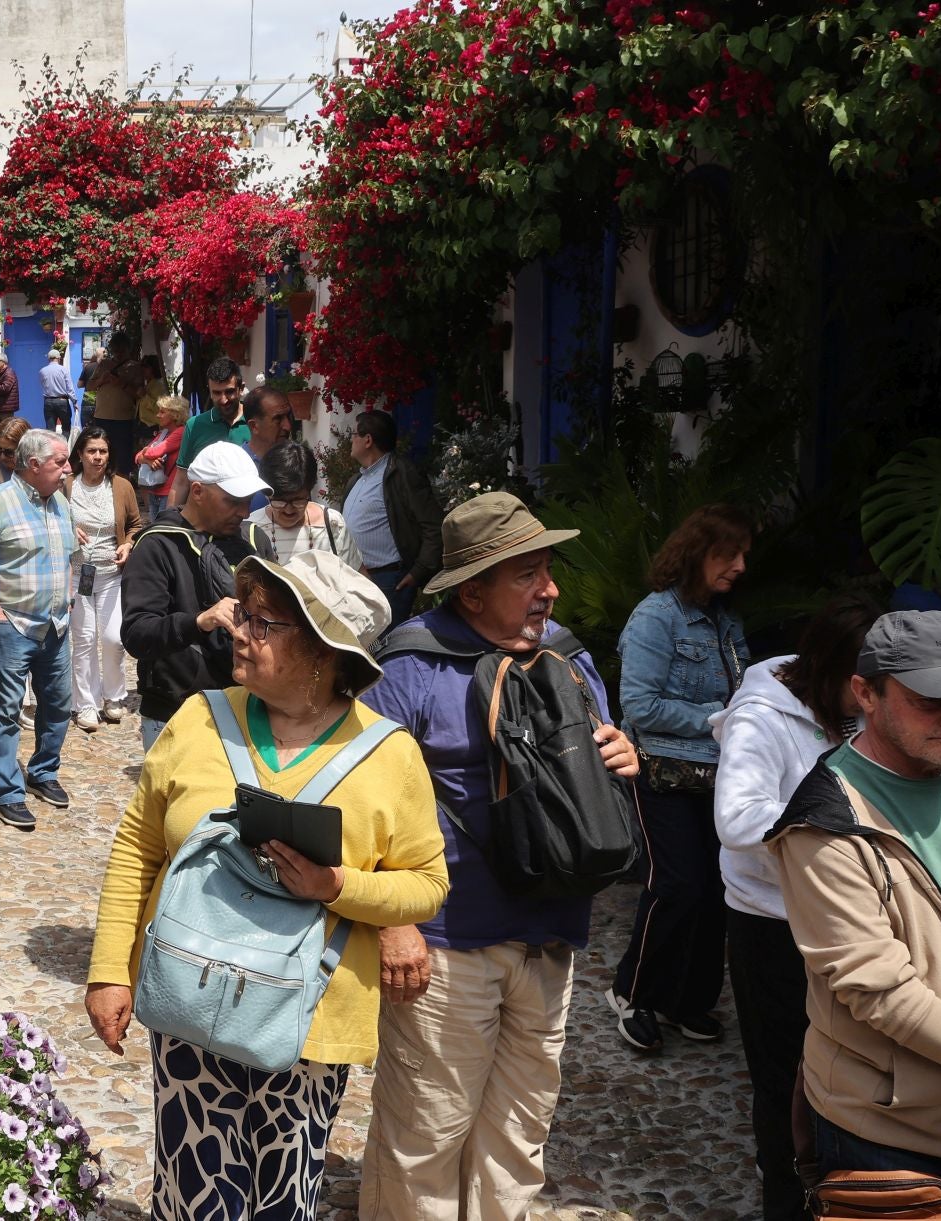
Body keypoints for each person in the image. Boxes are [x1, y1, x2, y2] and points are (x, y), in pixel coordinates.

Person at [86, 550, 449, 1221]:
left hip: (308, 1024)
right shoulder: (199, 718)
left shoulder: (388, 753)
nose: (238, 630)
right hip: (190, 1005)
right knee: (192, 1197)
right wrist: (110, 969)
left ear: (321, 650)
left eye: (263, 622)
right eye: (242, 614)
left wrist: (337, 886)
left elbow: (427, 885)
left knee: (282, 1203)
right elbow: (137, 845)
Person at [358, 491, 641, 1221]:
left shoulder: (570, 658)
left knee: (519, 1133)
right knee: (426, 1130)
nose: (549, 588)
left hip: (550, 935)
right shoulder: (409, 666)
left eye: (548, 570)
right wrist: (393, 923)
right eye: (527, 574)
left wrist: (620, 755)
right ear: (472, 588)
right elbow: (363, 805)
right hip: (447, 941)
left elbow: (594, 766)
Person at [768, 610, 941, 1218]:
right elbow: (877, 988)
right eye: (931, 700)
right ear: (865, 694)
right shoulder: (825, 823)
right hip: (888, 1141)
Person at [711, 593, 882, 1221]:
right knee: (784, 1077)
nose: (869, 702)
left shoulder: (851, 706)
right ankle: (786, 1197)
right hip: (770, 923)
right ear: (835, 673)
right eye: (861, 687)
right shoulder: (762, 717)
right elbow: (736, 818)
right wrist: (836, 833)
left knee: (845, 1071)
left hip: (844, 919)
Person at [607, 504, 755, 1053]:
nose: (740, 565)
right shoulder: (655, 617)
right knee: (678, 886)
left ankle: (688, 1001)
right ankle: (633, 993)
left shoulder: (726, 619)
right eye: (727, 554)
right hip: (663, 771)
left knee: (718, 889)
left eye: (743, 555)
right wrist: (720, 719)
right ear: (696, 555)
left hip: (723, 773)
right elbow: (639, 706)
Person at [121, 444, 275, 754]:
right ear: (197, 491)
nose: (243, 511)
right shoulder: (157, 545)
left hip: (251, 710)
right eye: (232, 501)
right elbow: (137, 634)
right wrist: (199, 622)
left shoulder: (255, 539)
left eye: (247, 501)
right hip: (178, 715)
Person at [0, 429, 75, 831]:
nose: (68, 469)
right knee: (5, 711)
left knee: (58, 704)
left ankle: (43, 773)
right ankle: (7, 793)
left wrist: (70, 600)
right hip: (12, 625)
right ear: (33, 466)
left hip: (56, 626)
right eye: (60, 462)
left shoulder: (60, 502)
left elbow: (67, 557)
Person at [64, 427, 144, 732]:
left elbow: (136, 524)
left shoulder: (121, 486)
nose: (98, 457)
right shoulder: (67, 486)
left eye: (103, 451)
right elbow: (53, 518)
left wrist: (128, 543)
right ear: (80, 454)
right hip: (79, 573)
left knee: (113, 638)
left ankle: (113, 696)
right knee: (83, 639)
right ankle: (85, 703)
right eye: (92, 451)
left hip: (111, 574)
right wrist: (69, 531)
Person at [339, 409, 443, 625]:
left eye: (354, 435)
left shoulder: (401, 473)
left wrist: (418, 572)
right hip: (355, 577)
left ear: (368, 440)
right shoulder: (357, 479)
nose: (351, 440)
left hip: (387, 580)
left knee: (383, 646)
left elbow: (433, 525)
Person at [248, 442, 364, 571]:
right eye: (280, 501)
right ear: (267, 494)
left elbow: (358, 580)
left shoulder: (332, 523)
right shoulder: (250, 529)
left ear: (309, 491)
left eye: (298, 500)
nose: (289, 509)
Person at [170, 357, 250, 508]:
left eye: (229, 392)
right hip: (205, 520)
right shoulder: (195, 425)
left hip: (248, 514)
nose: (223, 399)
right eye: (217, 393)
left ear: (241, 389)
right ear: (210, 391)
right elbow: (181, 480)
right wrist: (168, 522)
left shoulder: (256, 422)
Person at [89, 334, 148, 478]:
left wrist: (121, 383)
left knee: (123, 456)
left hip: (123, 419)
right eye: (116, 350)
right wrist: (102, 380)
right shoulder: (103, 364)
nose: (118, 353)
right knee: (101, 450)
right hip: (101, 416)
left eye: (121, 350)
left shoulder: (134, 367)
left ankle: (123, 485)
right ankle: (101, 481)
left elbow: (139, 394)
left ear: (128, 349)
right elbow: (89, 386)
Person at [238, 386, 296, 512]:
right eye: (278, 419)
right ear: (254, 426)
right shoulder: (235, 467)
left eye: (288, 416)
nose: (287, 426)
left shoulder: (296, 461)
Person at [133, 395, 188, 520]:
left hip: (169, 494)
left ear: (175, 414)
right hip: (155, 491)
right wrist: (147, 460)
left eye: (162, 412)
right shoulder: (164, 433)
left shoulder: (181, 432)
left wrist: (146, 455)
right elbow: (137, 457)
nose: (158, 415)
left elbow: (152, 452)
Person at [39, 347, 75, 434]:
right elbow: (69, 388)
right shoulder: (64, 370)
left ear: (48, 358)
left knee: (50, 430)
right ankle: (64, 445)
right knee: (66, 428)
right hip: (62, 401)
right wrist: (75, 402)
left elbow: (43, 385)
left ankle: (51, 447)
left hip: (48, 401)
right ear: (59, 358)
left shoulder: (42, 371)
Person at [0, 354, 19, 423]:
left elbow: (5, 389)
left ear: (3, 362)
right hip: (1, 407)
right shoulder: (2, 373)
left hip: (6, 409)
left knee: (6, 431)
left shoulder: (9, 373)